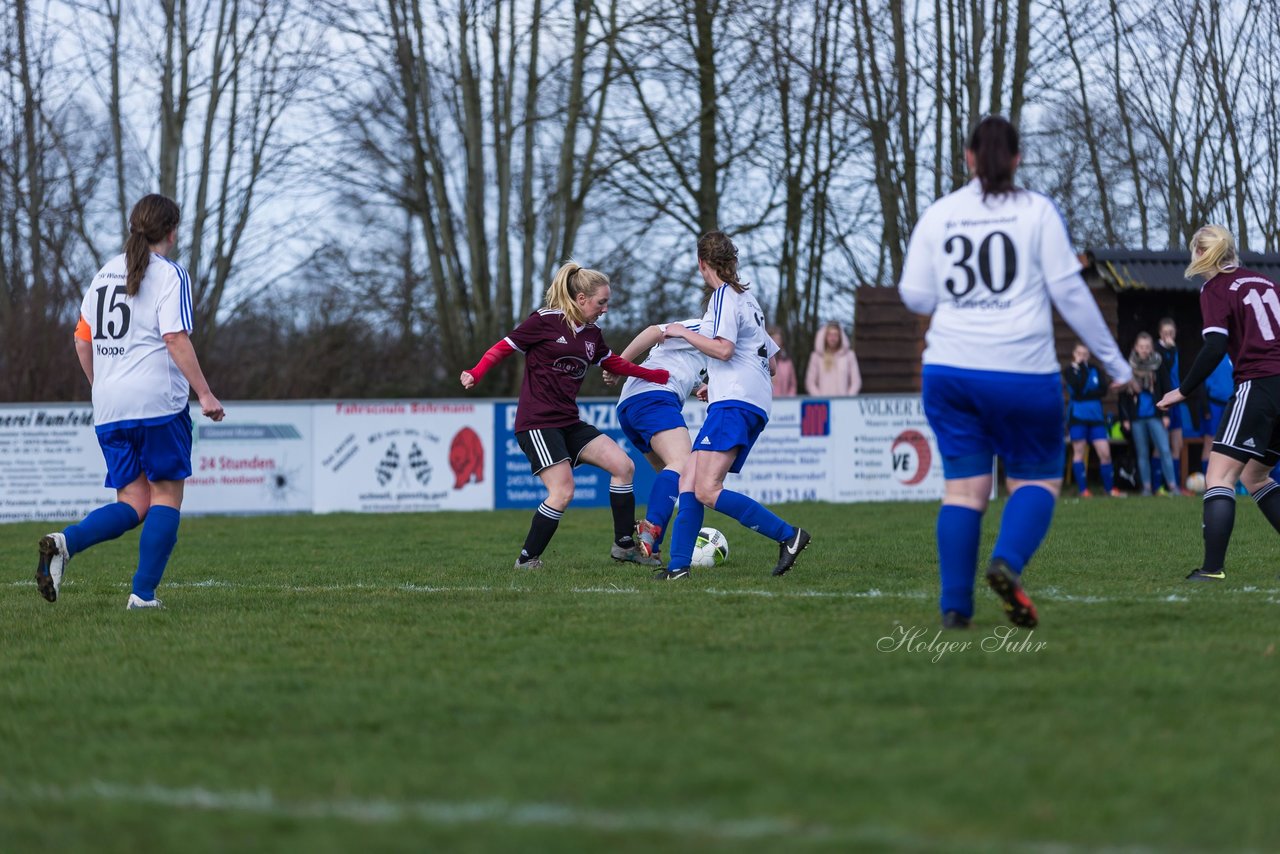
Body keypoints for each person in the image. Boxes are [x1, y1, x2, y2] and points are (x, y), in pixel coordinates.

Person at [897, 115, 1131, 630]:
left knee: (963, 491)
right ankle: (1006, 563)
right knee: (1038, 479)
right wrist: (1115, 364)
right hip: (1022, 372)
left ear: (969, 158)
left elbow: (914, 294)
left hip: (950, 370)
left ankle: (955, 608)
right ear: (1019, 159)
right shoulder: (1037, 212)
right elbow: (1070, 293)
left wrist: (958, 295)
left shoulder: (940, 214)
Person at [35, 193, 225, 610]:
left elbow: (81, 340)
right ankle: (143, 596)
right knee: (165, 498)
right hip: (157, 405)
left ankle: (66, 542)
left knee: (134, 502)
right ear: (172, 231)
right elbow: (174, 338)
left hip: (109, 407)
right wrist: (205, 393)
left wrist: (101, 385)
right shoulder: (170, 274)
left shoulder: (103, 273)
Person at [460, 261, 670, 570]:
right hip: (537, 424)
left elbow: (614, 363)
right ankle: (527, 559)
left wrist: (655, 375)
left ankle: (624, 546)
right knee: (563, 491)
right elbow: (502, 348)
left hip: (568, 421)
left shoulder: (592, 335)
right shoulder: (545, 321)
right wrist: (476, 372)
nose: (605, 309)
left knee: (623, 466)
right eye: (602, 302)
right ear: (581, 298)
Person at [652, 231, 811, 581]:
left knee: (707, 489)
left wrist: (681, 331)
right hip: (747, 399)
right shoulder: (748, 299)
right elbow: (768, 362)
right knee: (690, 479)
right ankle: (678, 567)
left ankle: (788, 535)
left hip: (735, 403)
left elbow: (723, 349)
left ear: (701, 263)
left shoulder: (723, 295)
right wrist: (716, 383)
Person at [1157, 225, 1280, 582]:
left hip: (1259, 383)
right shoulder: (1266, 282)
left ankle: (1211, 570)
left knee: (1219, 476)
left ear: (1200, 254)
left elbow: (1214, 346)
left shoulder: (1216, 288)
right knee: (1256, 476)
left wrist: (1183, 390)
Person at [605, 319, 709, 561]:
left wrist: (701, 388)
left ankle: (650, 550)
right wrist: (619, 365)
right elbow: (654, 331)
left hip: (632, 405)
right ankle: (651, 528)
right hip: (654, 397)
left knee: (675, 477)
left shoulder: (708, 350)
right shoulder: (707, 327)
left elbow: (683, 372)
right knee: (683, 464)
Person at [1119, 333, 1181, 497]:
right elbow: (1123, 395)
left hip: (1156, 414)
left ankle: (1173, 487)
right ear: (1136, 348)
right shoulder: (1129, 367)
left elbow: (1167, 387)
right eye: (1141, 347)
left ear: (1151, 348)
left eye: (1147, 347)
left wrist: (1166, 414)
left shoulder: (1158, 363)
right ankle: (1146, 488)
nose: (1144, 350)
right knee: (1142, 453)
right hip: (1137, 417)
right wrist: (1125, 418)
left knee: (1165, 450)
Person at [1065, 342, 1122, 497]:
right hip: (1078, 417)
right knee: (1079, 452)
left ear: (1089, 355)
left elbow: (1103, 390)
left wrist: (1087, 393)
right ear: (1074, 354)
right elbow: (1077, 389)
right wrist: (1082, 371)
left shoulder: (1095, 369)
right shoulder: (1069, 370)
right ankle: (1084, 490)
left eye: (1085, 354)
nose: (1082, 357)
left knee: (1105, 452)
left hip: (1096, 418)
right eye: (1079, 353)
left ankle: (1109, 489)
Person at [1153, 318, 1187, 491]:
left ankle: (1174, 485)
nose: (1168, 336)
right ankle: (1157, 486)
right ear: (1160, 333)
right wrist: (1171, 348)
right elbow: (1165, 369)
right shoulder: (1157, 350)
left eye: (1171, 333)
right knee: (1160, 446)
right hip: (1163, 401)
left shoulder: (1175, 349)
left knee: (1177, 444)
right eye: (1165, 333)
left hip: (1177, 401)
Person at [804, 321, 861, 396]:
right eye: (830, 335)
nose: (833, 338)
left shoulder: (849, 356)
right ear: (825, 337)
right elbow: (810, 383)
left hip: (843, 403)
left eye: (835, 335)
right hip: (824, 404)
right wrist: (820, 399)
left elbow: (856, 382)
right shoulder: (816, 357)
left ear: (840, 337)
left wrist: (848, 399)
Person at [768, 325, 797, 397]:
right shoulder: (763, 360)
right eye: (774, 338)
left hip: (784, 403)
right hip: (767, 402)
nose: (776, 342)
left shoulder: (787, 361)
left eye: (779, 339)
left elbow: (792, 384)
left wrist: (790, 397)